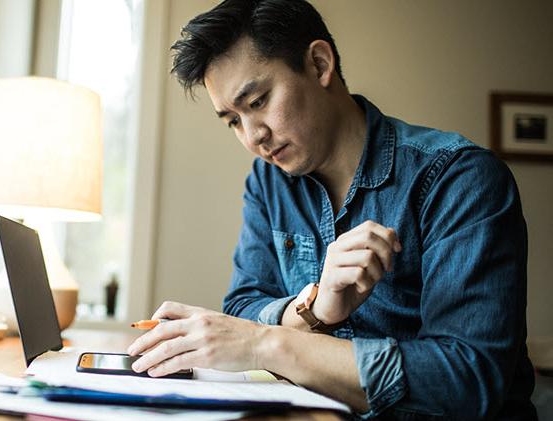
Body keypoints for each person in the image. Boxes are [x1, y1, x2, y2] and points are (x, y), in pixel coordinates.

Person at [126, 0, 537, 419]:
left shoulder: (459, 178)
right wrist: (314, 309)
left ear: (320, 64)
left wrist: (266, 344)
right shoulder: (268, 183)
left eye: (258, 102)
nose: (253, 137)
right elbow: (245, 304)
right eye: (232, 120)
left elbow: (466, 380)